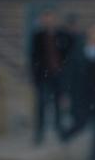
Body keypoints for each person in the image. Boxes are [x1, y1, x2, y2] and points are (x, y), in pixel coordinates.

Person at [62, 24, 95, 160]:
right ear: (90, 35)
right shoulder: (78, 53)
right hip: (83, 96)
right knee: (81, 123)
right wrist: (66, 93)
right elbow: (70, 74)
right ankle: (65, 135)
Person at [28, 9, 72, 145]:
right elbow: (34, 57)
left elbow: (68, 51)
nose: (48, 21)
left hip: (58, 74)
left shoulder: (62, 34)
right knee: (41, 104)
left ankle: (59, 130)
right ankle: (39, 133)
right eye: (46, 18)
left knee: (59, 104)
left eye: (51, 18)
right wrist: (35, 74)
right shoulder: (38, 36)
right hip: (43, 75)